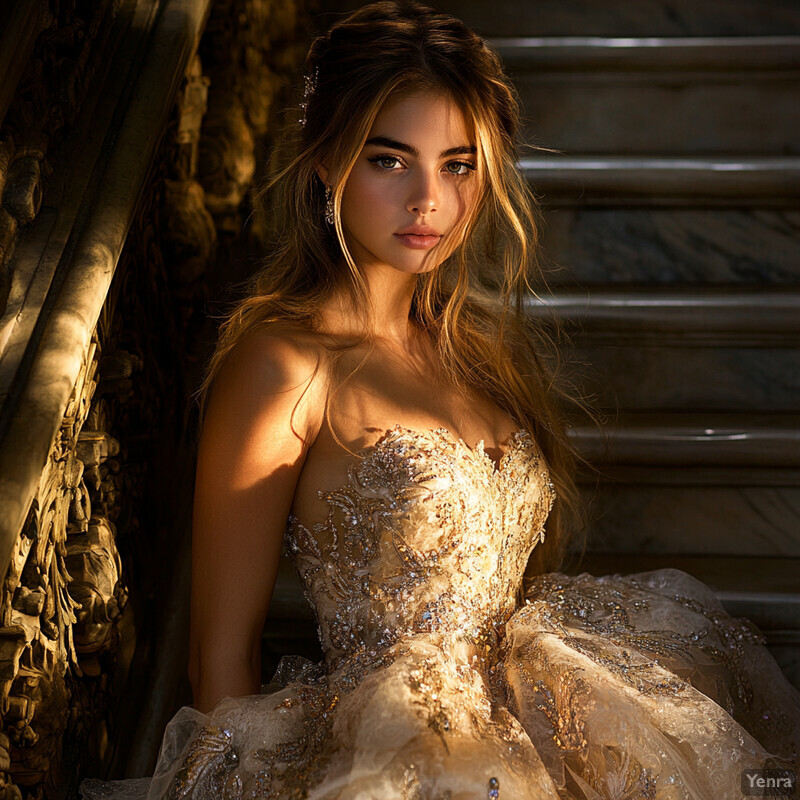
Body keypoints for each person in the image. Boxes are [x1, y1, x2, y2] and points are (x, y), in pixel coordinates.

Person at [80, 1, 800, 798]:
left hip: (544, 730)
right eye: (390, 160)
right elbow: (218, 654)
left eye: (457, 164)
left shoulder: (474, 352)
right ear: (326, 161)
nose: (429, 199)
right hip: (403, 761)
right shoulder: (283, 364)